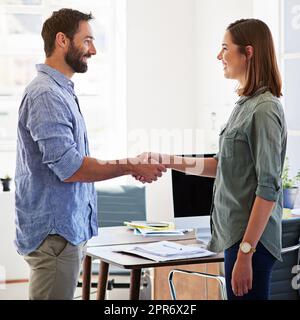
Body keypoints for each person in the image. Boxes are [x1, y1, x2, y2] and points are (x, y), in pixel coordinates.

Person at [15, 8, 165, 300]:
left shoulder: (61, 90)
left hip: (64, 234)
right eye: (87, 41)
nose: (93, 50)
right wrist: (132, 164)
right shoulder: (46, 94)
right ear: (62, 40)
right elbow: (70, 168)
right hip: (55, 237)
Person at [136, 19, 287, 300]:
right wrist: (167, 159)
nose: (220, 56)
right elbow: (221, 166)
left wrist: (245, 253)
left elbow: (268, 188)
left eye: (225, 48)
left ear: (249, 53)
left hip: (250, 243)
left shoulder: (265, 109)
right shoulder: (246, 105)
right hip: (237, 238)